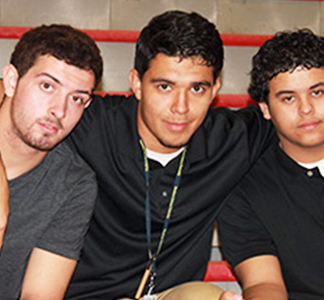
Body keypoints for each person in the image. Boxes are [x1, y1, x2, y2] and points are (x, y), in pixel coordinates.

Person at [63, 10, 274, 300]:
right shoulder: (92, 123)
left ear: (215, 90)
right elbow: (16, 96)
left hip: (172, 294)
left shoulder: (229, 139)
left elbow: (315, 112)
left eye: (197, 88)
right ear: (136, 83)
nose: (181, 107)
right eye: (165, 86)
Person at [218, 29, 324, 300]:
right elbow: (264, 283)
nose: (306, 109)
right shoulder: (243, 185)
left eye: (317, 92)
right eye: (288, 98)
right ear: (265, 109)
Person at [0, 24, 103, 300]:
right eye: (47, 86)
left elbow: (40, 294)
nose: (59, 110)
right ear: (11, 81)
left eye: (77, 99)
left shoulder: (74, 183)